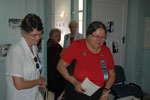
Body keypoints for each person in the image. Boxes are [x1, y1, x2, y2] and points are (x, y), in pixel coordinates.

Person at [57, 21, 115, 100]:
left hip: (99, 94)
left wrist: (106, 90)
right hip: (78, 92)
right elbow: (60, 66)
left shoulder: (106, 51)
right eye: (97, 36)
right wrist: (74, 82)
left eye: (103, 37)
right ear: (88, 35)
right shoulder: (77, 46)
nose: (100, 40)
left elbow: (112, 74)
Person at [6, 13, 47, 100]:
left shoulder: (34, 47)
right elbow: (19, 85)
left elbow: (31, 73)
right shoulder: (16, 51)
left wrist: (39, 80)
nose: (38, 38)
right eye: (34, 35)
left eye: (40, 34)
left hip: (33, 95)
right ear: (24, 33)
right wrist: (38, 81)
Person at [47, 28, 65, 100]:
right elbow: (52, 60)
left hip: (59, 74)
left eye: (60, 35)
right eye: (57, 35)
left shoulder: (58, 46)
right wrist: (61, 55)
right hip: (53, 75)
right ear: (51, 37)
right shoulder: (49, 46)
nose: (59, 37)